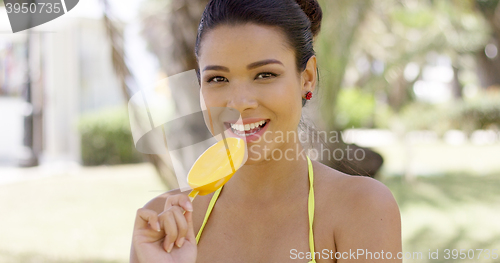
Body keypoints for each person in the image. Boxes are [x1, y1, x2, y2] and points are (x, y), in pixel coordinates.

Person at [130, 0, 402, 262]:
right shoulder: (160, 225)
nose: (238, 103)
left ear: (306, 78)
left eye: (265, 74)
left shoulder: (362, 209)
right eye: (218, 79)